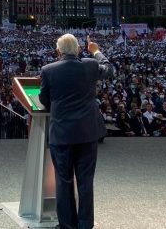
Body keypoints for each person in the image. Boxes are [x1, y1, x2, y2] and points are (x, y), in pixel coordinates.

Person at [39, 34, 115, 229]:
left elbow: (44, 100)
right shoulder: (90, 65)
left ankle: (67, 225)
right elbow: (109, 69)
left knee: (63, 182)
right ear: (79, 50)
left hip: (62, 133)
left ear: (58, 51)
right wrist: (96, 51)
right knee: (85, 181)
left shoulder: (48, 70)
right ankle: (85, 225)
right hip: (87, 133)